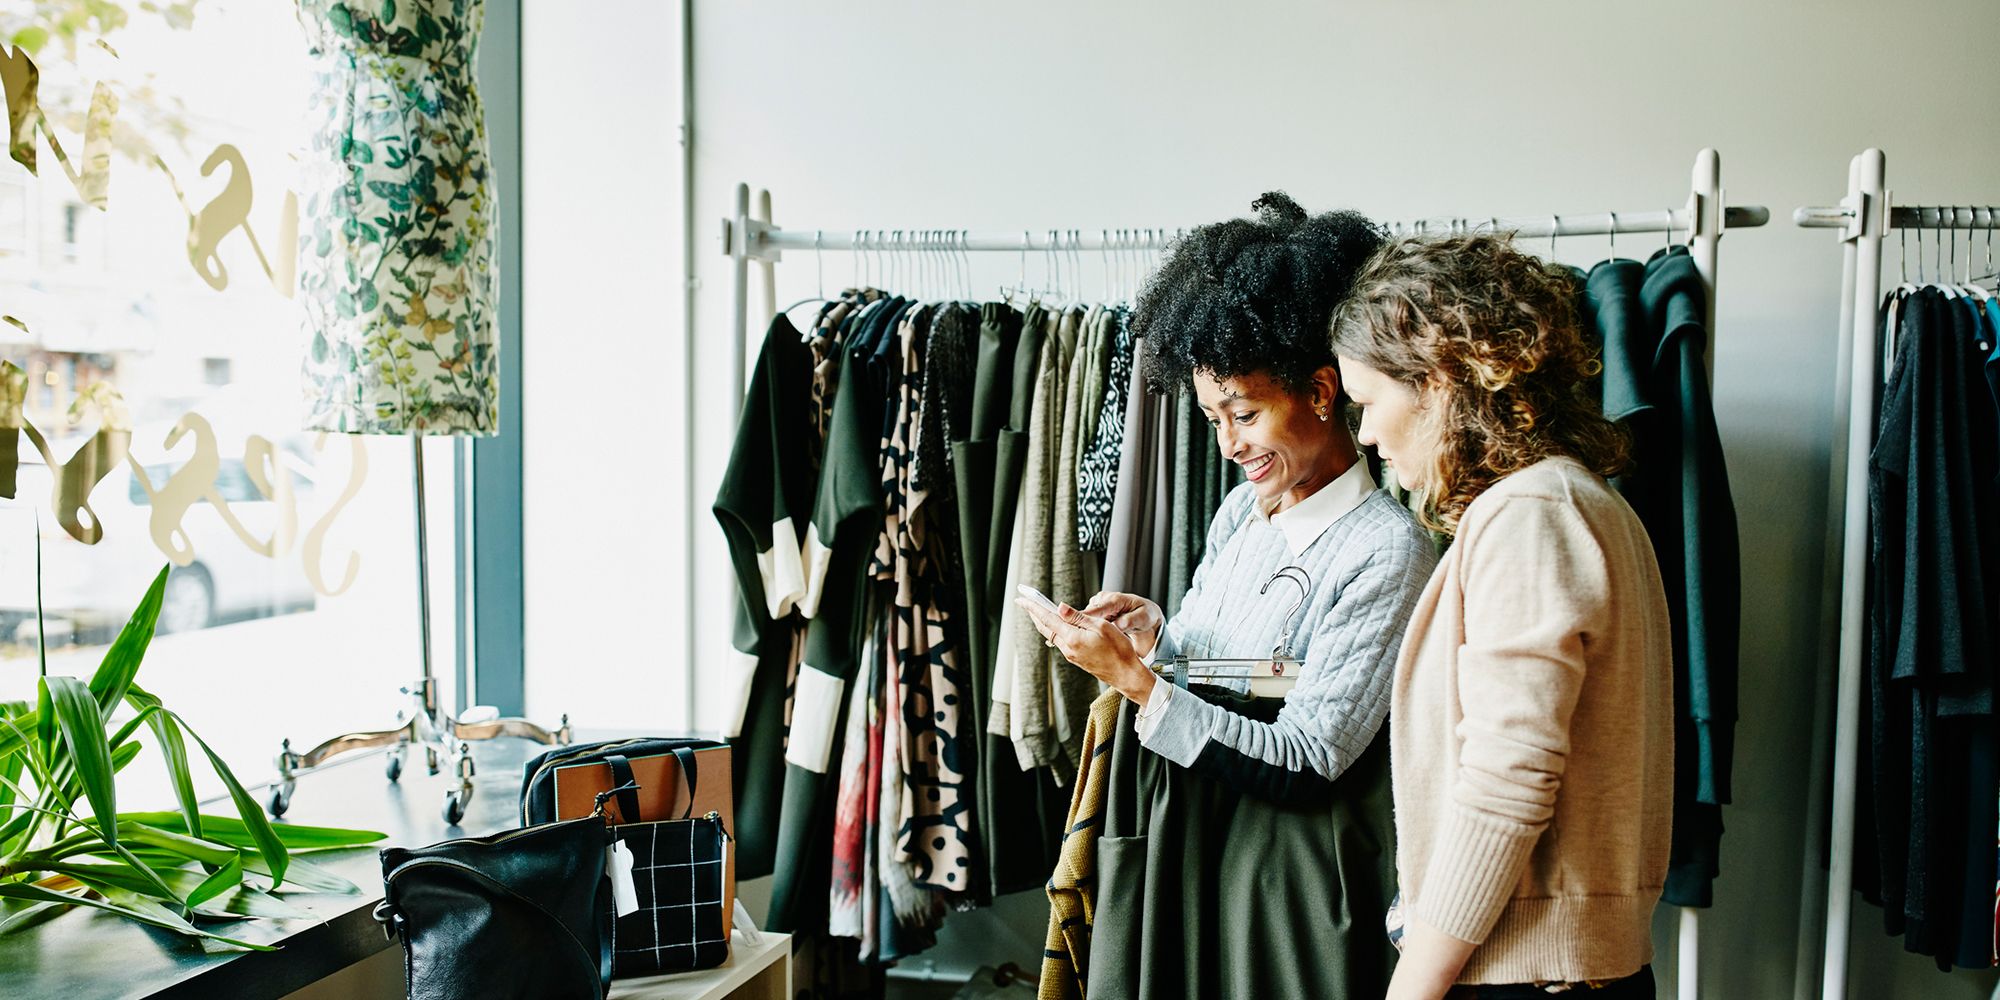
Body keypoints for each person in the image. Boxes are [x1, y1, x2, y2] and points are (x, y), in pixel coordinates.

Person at [1019, 193, 1438, 997]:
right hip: (1197, 844)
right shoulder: (1242, 510)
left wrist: (1136, 684)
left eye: (1243, 413)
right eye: (1213, 417)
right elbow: (1232, 673)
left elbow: (1313, 758)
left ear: (1321, 391)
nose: (1227, 444)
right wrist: (1158, 639)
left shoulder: (1386, 551)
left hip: (1289, 884)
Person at [1330, 233, 1673, 1000]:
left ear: (1442, 377)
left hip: (1528, 974)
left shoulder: (1529, 516)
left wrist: (1413, 985)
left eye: (1369, 402)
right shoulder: (1578, 500)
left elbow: (1508, 778)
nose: (1367, 435)